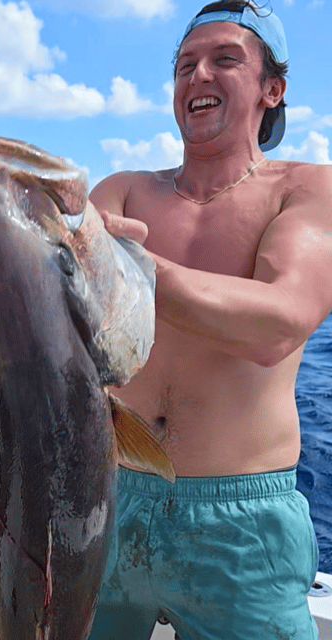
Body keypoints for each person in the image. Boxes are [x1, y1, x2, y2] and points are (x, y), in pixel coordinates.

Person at [88, 1, 332, 639]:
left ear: (272, 90)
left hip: (240, 526)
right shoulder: (121, 191)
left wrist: (134, 268)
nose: (198, 77)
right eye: (184, 66)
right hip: (108, 497)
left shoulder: (308, 190)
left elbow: (278, 325)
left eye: (225, 60)